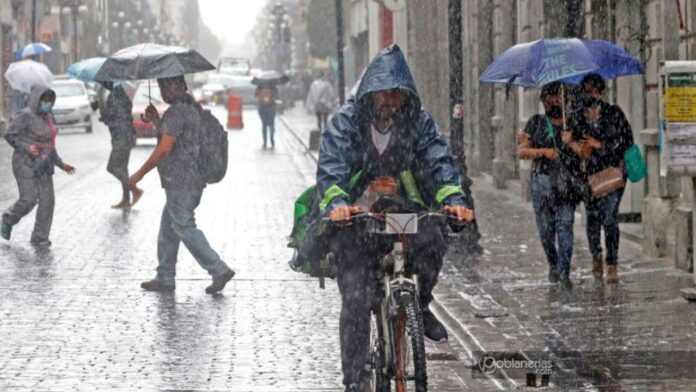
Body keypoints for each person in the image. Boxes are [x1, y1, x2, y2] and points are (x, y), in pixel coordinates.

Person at [298, 44, 474, 391]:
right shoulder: (346, 122)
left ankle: (419, 305)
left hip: (403, 211)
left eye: (397, 93)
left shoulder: (418, 122)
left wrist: (453, 199)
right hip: (357, 219)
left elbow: (439, 161)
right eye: (384, 93)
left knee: (432, 241)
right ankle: (355, 379)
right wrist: (337, 204)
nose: (391, 100)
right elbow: (331, 169)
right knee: (357, 300)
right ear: (370, 93)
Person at [129, 76, 235, 294]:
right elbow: (182, 138)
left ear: (173, 87)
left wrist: (140, 173)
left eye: (163, 86)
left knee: (184, 227)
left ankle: (218, 268)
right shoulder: (189, 109)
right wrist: (157, 121)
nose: (162, 91)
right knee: (169, 228)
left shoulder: (178, 111)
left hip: (181, 182)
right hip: (191, 181)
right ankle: (165, 277)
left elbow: (165, 147)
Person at [517, 81, 585, 289]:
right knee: (546, 230)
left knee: (565, 226)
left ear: (565, 99)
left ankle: (564, 272)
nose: (550, 102)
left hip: (567, 183)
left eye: (555, 97)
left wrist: (571, 142)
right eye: (546, 98)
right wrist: (544, 152)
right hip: (542, 181)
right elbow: (522, 151)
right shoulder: (536, 123)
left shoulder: (573, 124)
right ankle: (553, 263)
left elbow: (586, 153)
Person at [575, 74, 634, 283]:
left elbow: (627, 141)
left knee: (609, 218)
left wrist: (600, 145)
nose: (591, 95)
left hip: (612, 176)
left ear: (601, 92)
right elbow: (572, 148)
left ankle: (612, 262)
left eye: (594, 90)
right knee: (592, 220)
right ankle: (596, 255)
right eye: (587, 90)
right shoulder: (577, 118)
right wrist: (578, 147)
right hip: (588, 178)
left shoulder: (614, 114)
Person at [1, 84, 76, 246]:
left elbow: (50, 146)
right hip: (24, 163)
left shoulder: (48, 118)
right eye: (44, 99)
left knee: (48, 201)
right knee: (29, 199)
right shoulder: (25, 116)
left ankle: (40, 236)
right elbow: (9, 135)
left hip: (44, 164)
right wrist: (27, 147)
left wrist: (61, 164)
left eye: (50, 100)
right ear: (37, 99)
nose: (48, 103)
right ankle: (8, 218)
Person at [99, 84, 143, 209]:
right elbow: (120, 117)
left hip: (121, 137)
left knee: (112, 167)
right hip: (126, 135)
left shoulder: (114, 98)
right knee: (123, 168)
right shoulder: (122, 96)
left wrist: (101, 107)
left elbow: (109, 118)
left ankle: (134, 189)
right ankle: (126, 199)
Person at [256, 84, 278, 149]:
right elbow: (277, 96)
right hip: (272, 107)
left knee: (264, 125)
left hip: (262, 107)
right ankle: (271, 136)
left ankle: (265, 142)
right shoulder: (273, 86)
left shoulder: (259, 85)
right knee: (271, 123)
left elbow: (256, 95)